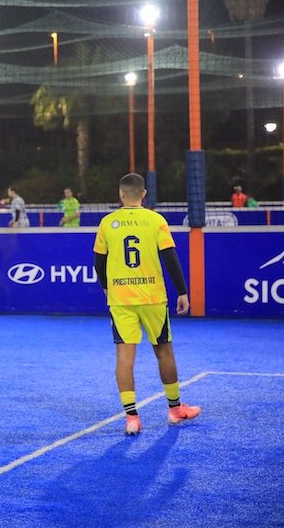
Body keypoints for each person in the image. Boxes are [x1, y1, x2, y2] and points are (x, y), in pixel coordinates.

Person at [93, 173, 201, 435]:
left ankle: (132, 418)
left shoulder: (107, 223)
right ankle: (175, 410)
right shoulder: (156, 220)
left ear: (121, 194)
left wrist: (107, 288)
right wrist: (182, 291)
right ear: (144, 194)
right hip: (153, 297)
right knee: (164, 351)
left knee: (124, 357)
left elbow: (99, 262)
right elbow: (170, 258)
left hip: (121, 299)